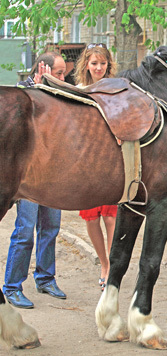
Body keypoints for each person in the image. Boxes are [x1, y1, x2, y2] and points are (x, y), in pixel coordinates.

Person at [3, 52, 67, 309]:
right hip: (27, 176)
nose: (63, 78)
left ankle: (45, 278)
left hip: (53, 173)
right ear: (43, 68)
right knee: (25, 231)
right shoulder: (22, 94)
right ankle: (12, 286)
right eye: (59, 73)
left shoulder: (62, 93)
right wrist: (38, 88)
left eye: (64, 73)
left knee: (51, 227)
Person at [74, 43, 118, 290]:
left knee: (111, 217)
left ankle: (111, 266)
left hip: (110, 158)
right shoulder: (79, 90)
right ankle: (102, 262)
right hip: (85, 160)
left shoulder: (116, 87)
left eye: (103, 63)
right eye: (94, 63)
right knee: (91, 219)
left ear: (108, 65)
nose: (99, 68)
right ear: (86, 65)